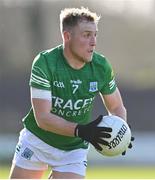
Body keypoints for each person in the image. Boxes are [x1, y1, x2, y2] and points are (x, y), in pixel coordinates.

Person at [9, 7, 133, 179]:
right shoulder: (45, 63)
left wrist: (121, 133)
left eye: (95, 34)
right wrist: (81, 130)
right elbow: (43, 118)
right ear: (67, 36)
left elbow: (117, 106)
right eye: (86, 35)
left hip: (73, 150)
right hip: (37, 141)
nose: (93, 41)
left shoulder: (101, 66)